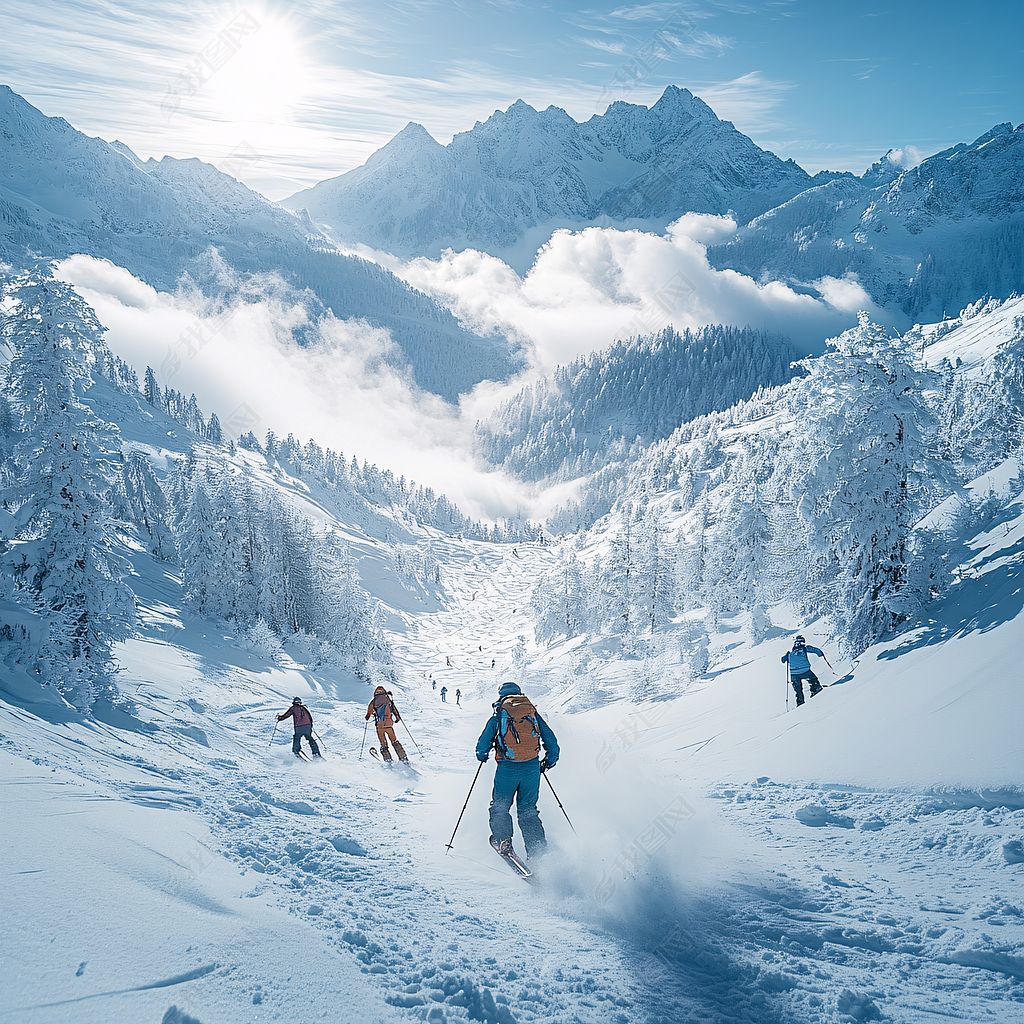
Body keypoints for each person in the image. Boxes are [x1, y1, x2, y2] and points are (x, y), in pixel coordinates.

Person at [476, 682, 559, 859]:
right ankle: (537, 852)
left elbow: (483, 743)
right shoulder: (531, 713)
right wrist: (549, 760)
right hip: (532, 769)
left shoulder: (499, 714)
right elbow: (550, 739)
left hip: (507, 769)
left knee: (500, 807)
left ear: (501, 696)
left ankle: (503, 840)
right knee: (528, 810)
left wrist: (482, 754)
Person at [365, 686, 408, 763]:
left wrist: (370, 715)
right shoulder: (388, 699)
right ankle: (403, 758)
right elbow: (395, 711)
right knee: (394, 741)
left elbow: (368, 715)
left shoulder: (374, 701)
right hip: (389, 725)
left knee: (383, 743)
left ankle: (388, 760)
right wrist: (397, 718)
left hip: (379, 725)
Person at [781, 635, 826, 706]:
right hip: (805, 671)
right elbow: (815, 650)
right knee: (813, 680)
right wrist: (820, 654)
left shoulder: (790, 654)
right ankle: (815, 690)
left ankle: (800, 703)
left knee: (798, 690)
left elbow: (783, 660)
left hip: (794, 674)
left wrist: (786, 656)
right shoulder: (804, 649)